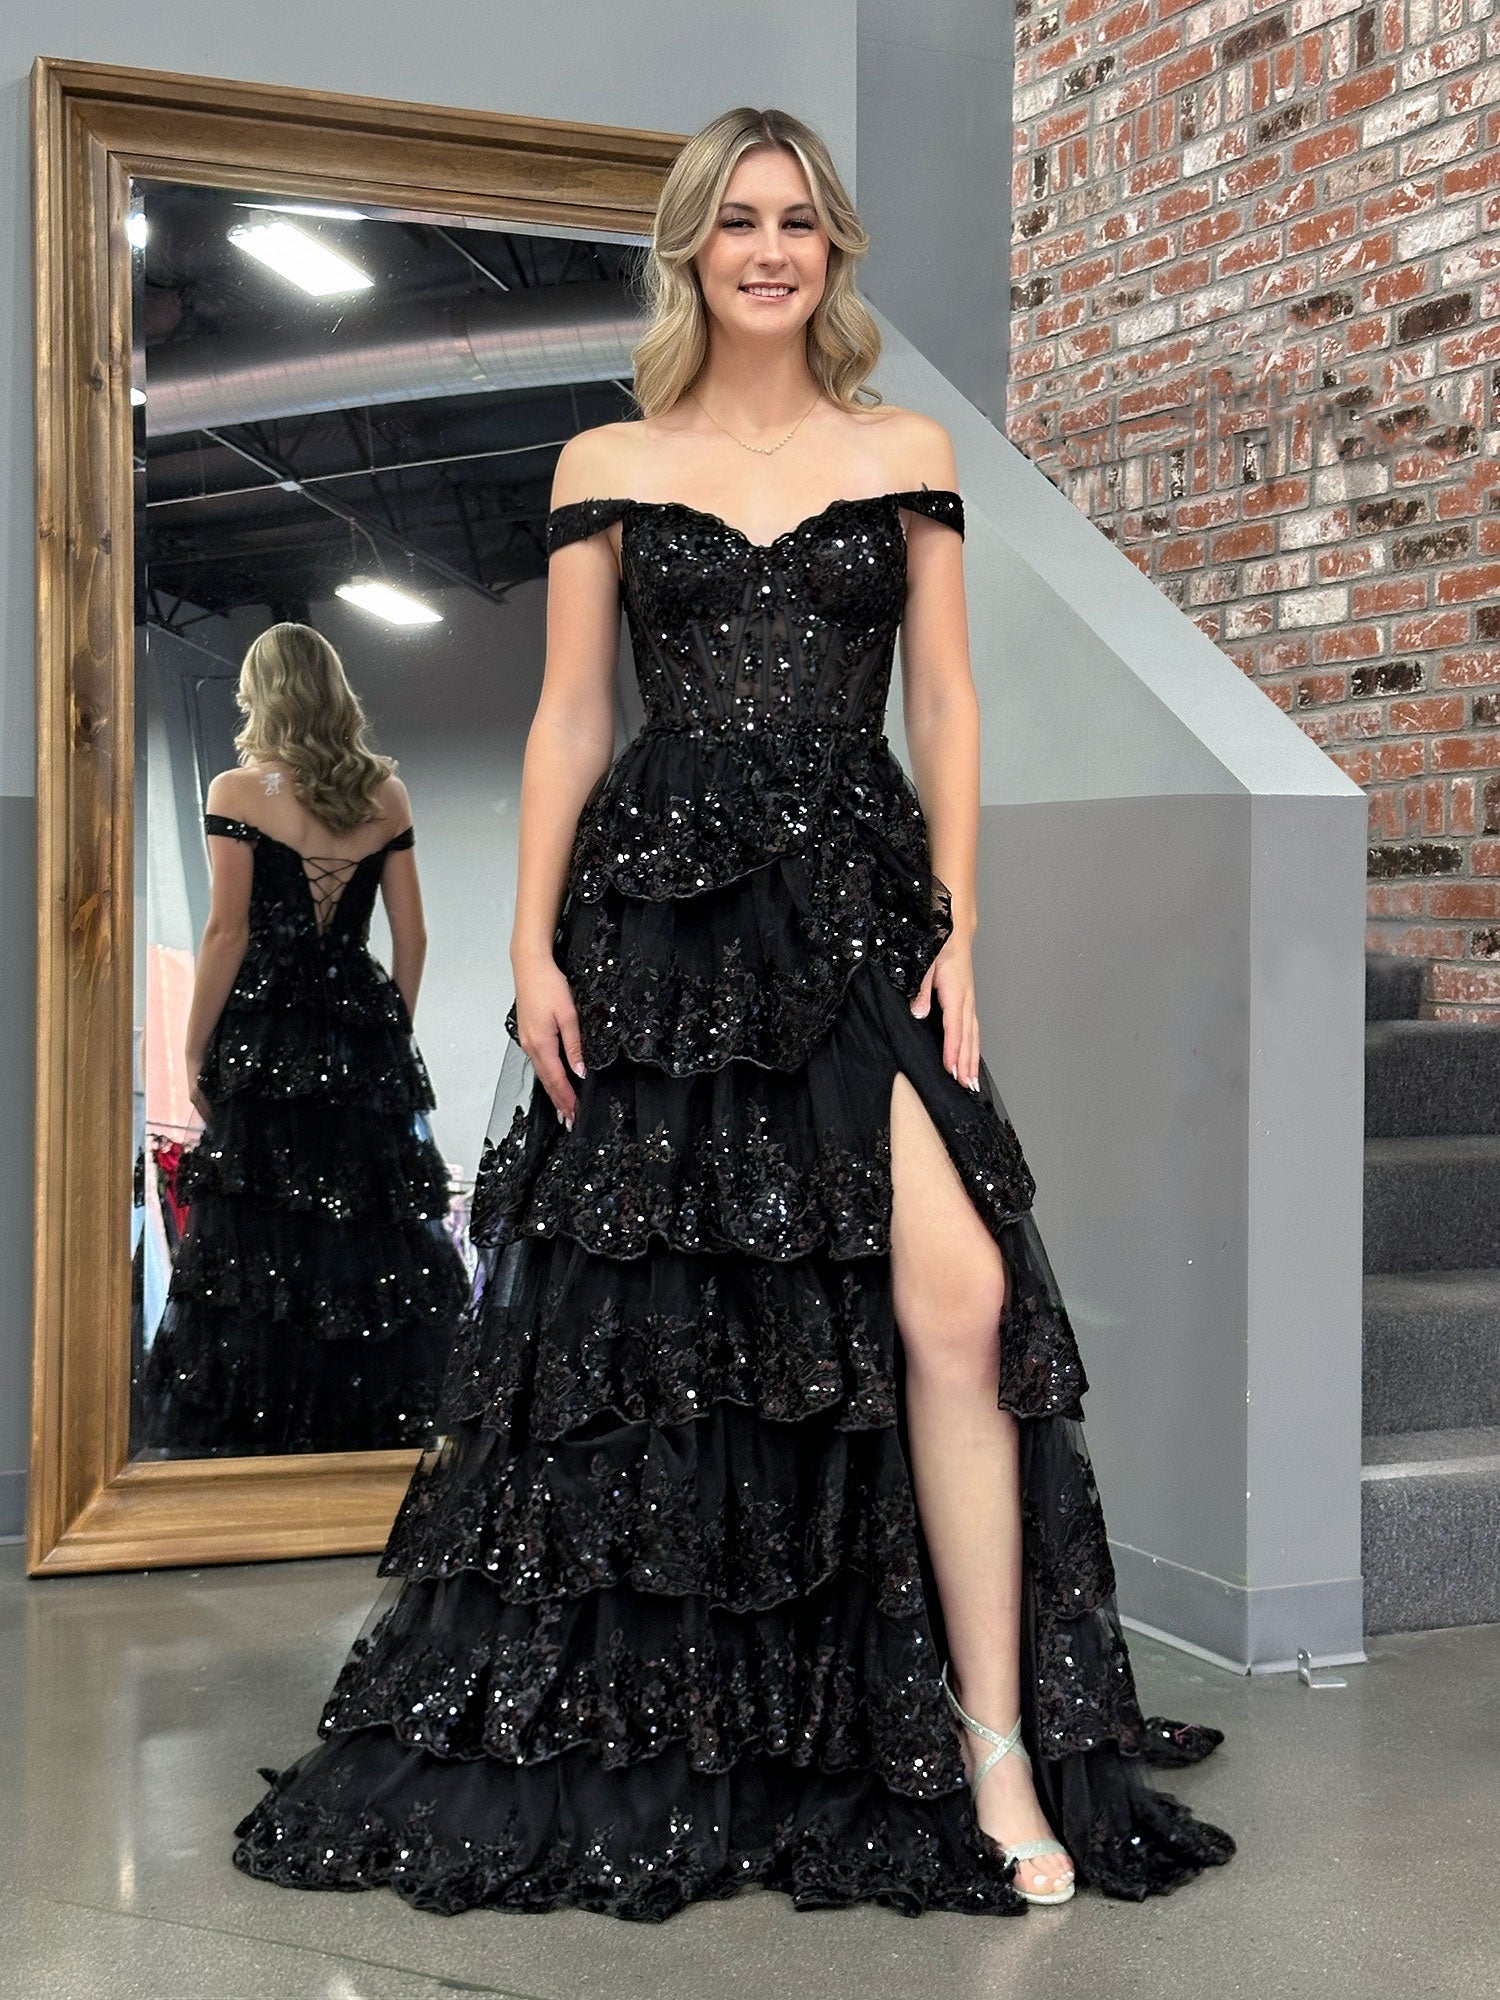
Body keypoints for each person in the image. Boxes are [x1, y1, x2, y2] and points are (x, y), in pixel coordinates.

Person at [232, 108, 1233, 1916]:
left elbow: (947, 702)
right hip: (661, 917)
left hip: (857, 903)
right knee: (666, 1335)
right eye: (739, 222)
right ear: (692, 247)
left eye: (798, 223)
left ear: (831, 250)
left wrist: (963, 925)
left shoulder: (904, 447)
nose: (769, 250)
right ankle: (706, 1721)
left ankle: (994, 1747)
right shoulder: (607, 456)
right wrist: (531, 943)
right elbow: (570, 717)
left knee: (960, 1300)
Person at [138, 622, 466, 1456]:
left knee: (263, 1232)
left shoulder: (237, 791)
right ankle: (360, 1431)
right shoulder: (387, 795)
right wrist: (390, 1033)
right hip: (358, 1026)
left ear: (262, 693)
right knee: (362, 1233)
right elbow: (414, 936)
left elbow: (228, 932)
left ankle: (268, 1436)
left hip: (266, 1033)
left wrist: (191, 1047)